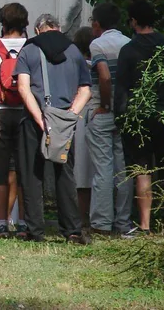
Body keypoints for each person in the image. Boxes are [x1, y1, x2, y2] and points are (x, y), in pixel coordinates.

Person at [14, 13, 91, 243]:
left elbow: (23, 88)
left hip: (34, 118)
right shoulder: (74, 51)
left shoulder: (29, 50)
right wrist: (70, 116)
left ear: (38, 30)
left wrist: (39, 118)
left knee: (32, 174)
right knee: (65, 174)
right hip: (64, 121)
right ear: (58, 28)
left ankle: (35, 231)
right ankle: (72, 231)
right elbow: (86, 90)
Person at [115, 0, 164, 238]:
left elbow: (122, 88)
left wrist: (121, 117)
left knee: (142, 170)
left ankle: (145, 225)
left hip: (138, 118)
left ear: (134, 21)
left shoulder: (128, 49)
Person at [86, 2, 133, 237]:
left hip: (103, 111)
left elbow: (104, 77)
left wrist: (105, 105)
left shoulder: (98, 45)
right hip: (125, 112)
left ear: (97, 23)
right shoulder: (127, 42)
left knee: (102, 169)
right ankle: (124, 222)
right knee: (123, 168)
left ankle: (102, 222)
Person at [0, 3, 29, 238]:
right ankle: (23, 222)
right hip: (25, 111)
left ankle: (0, 222)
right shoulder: (31, 48)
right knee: (23, 168)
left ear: (2, 22)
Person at [72, 26, 95, 230]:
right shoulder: (96, 63)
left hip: (78, 116)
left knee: (80, 171)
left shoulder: (74, 63)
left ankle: (80, 217)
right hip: (96, 115)